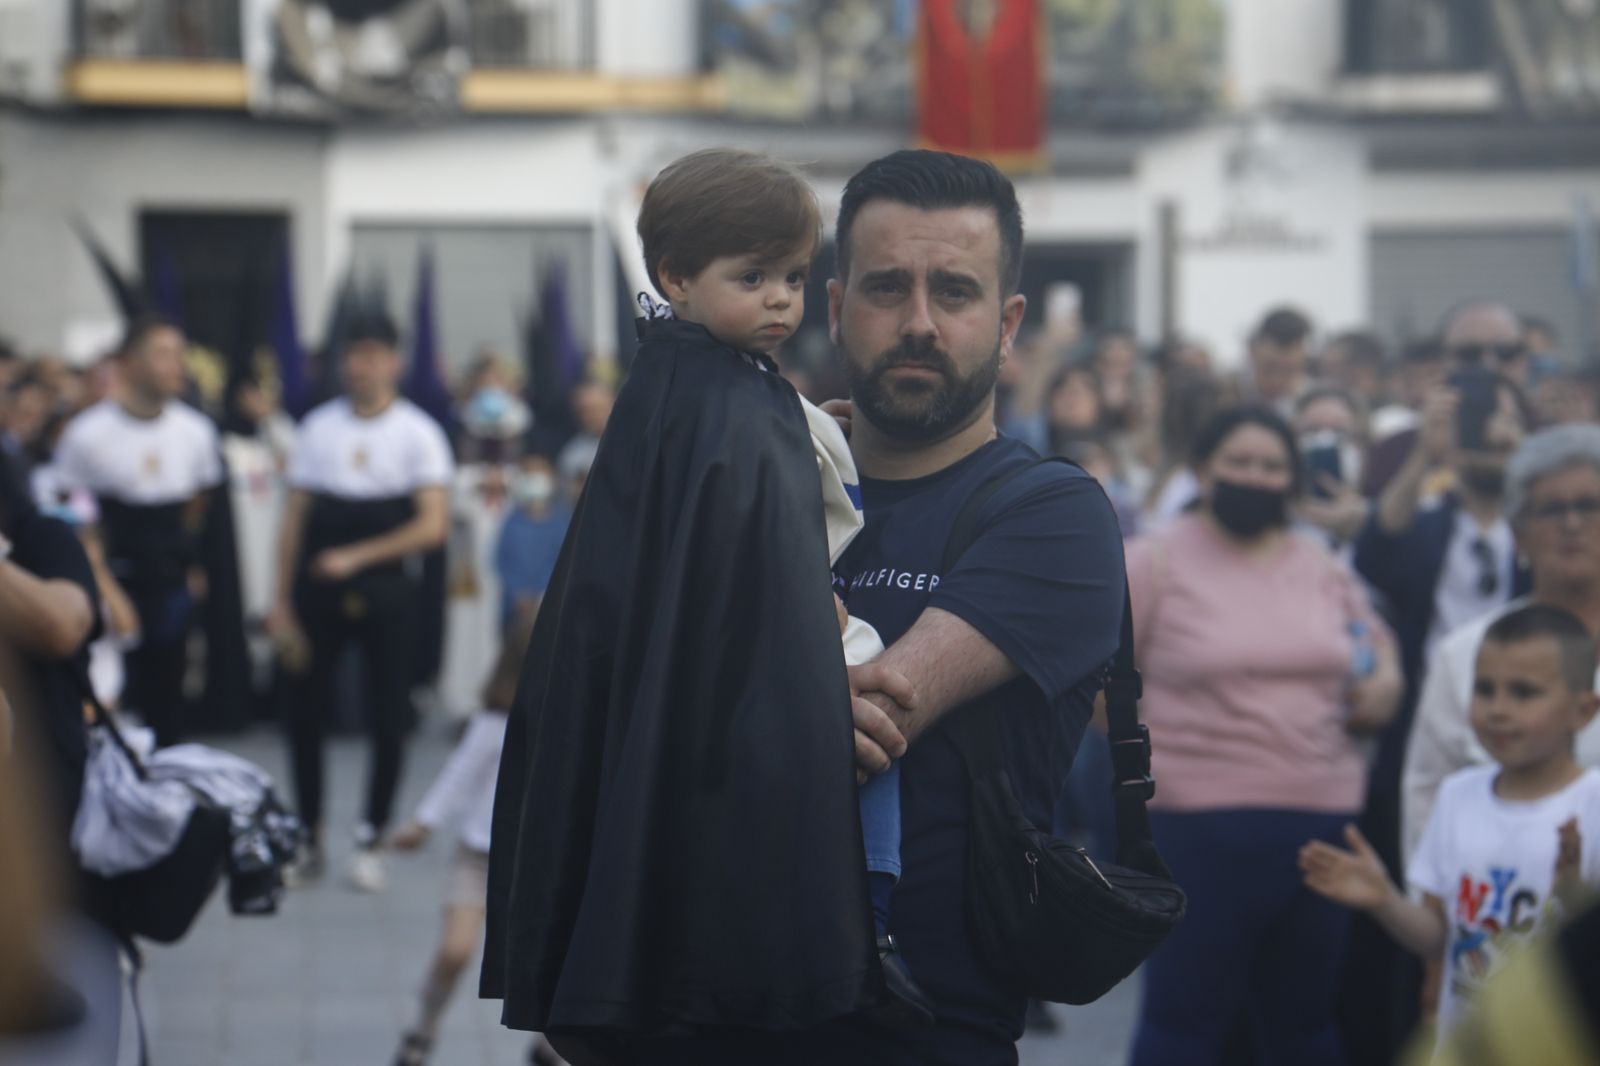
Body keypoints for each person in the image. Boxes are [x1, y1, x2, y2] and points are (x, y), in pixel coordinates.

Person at [484, 147, 903, 1057]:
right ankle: (874, 927)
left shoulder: (676, 382)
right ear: (675, 277)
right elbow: (770, 585)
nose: (781, 300)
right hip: (741, 737)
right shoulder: (739, 409)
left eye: (794, 277)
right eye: (752, 278)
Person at [810, 149, 1124, 1065]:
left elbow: (869, 718)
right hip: (707, 1009)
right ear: (835, 307)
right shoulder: (769, 483)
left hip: (921, 1030)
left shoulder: (1054, 515)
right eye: (886, 288)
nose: (919, 322)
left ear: (1008, 322)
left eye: (954, 291)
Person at [1123, 405, 1402, 1066]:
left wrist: (1386, 681)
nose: (1255, 476)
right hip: (1196, 827)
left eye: (1272, 466)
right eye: (1239, 462)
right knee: (1184, 1021)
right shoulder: (1152, 559)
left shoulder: (1320, 562)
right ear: (1203, 471)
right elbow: (1101, 685)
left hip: (1321, 821)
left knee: (1304, 1024)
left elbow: (1376, 643)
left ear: (1291, 479)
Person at [1301, 604, 1600, 1049]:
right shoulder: (1458, 795)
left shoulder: (1591, 804)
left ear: (1583, 711)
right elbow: (1438, 938)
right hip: (1466, 1046)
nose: (1498, 709)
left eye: (1523, 693)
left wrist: (1574, 892)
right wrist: (1384, 899)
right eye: (1484, 689)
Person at [270, 313, 454, 893]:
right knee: (304, 714)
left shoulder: (418, 433)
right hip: (317, 587)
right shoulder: (317, 428)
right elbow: (293, 521)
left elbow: (432, 526)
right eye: (354, 354)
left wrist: (358, 557)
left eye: (374, 354)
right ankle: (307, 837)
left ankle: (372, 839)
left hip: (386, 588)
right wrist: (280, 600)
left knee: (388, 716)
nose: (362, 366)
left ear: (394, 362)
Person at [1402, 424, 1600, 863]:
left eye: (1589, 506)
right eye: (1552, 509)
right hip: (1491, 895)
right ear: (1518, 533)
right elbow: (1426, 794)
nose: (1572, 524)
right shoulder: (1466, 653)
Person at [390, 613, 567, 1066]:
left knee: (553, 957)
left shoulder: (574, 725)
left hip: (542, 863)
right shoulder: (493, 724)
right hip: (478, 858)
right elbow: (459, 774)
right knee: (455, 950)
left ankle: (549, 1043)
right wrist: (423, 823)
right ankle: (424, 1026)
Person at [50, 313, 222, 746]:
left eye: (179, 354)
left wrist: (188, 563)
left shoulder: (195, 431)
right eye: (162, 354)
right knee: (112, 697)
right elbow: (73, 509)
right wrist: (100, 578)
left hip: (168, 574)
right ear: (129, 363)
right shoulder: (87, 434)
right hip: (110, 575)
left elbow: (197, 504)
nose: (175, 365)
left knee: (170, 694)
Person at [493, 454, 570, 632]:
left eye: (539, 477)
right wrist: (518, 592)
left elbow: (562, 562)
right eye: (529, 477)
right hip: (513, 610)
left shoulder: (562, 522)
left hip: (549, 607)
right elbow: (500, 560)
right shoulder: (511, 521)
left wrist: (540, 595)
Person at [1243, 306, 1313, 418]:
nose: (1276, 379)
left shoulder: (1313, 402)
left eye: (1287, 369)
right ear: (1253, 351)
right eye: (1271, 368)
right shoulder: (1228, 394)